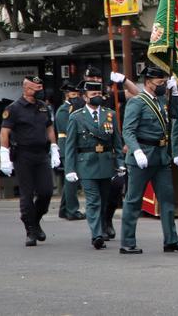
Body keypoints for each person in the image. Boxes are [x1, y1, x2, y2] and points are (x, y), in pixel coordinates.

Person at [113, 66, 178, 254]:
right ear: (148, 83)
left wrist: (176, 93)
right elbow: (128, 131)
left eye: (164, 83)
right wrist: (137, 151)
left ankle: (171, 240)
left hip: (161, 156)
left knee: (167, 199)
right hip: (142, 157)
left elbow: (175, 115)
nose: (162, 86)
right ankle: (128, 242)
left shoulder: (161, 99)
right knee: (133, 200)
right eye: (160, 83)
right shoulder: (137, 103)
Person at [0, 75, 59, 247]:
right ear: (26, 89)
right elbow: (5, 133)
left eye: (41, 88)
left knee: (46, 191)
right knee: (27, 194)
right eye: (36, 88)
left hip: (41, 154)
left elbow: (49, 128)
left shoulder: (43, 108)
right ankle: (30, 230)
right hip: (23, 156)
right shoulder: (13, 108)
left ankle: (35, 220)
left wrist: (54, 148)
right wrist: (4, 155)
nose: (40, 91)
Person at [64, 78, 123, 250]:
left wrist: (120, 163)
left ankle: (103, 227)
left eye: (99, 93)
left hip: (106, 162)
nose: (97, 96)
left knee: (104, 200)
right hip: (86, 163)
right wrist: (70, 168)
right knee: (93, 200)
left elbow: (117, 142)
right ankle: (96, 235)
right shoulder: (76, 117)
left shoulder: (109, 114)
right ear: (85, 97)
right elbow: (70, 145)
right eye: (93, 94)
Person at [56, 80, 86, 221]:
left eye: (77, 94)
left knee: (71, 180)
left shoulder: (75, 108)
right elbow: (67, 130)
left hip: (73, 146)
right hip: (67, 146)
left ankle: (64, 209)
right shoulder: (64, 110)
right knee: (71, 180)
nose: (76, 97)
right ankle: (72, 210)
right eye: (73, 95)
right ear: (67, 96)